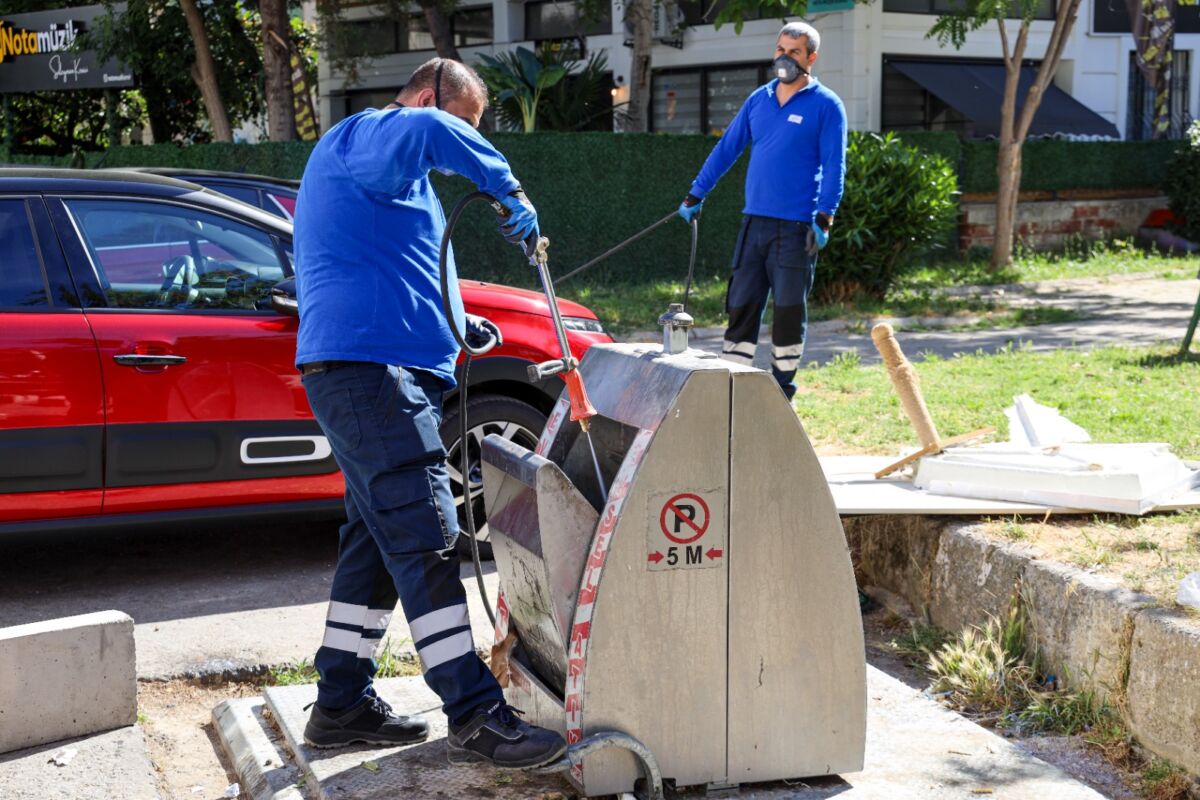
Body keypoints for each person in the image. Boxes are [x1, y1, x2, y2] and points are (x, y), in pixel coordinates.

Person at [292, 57, 566, 770]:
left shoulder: (392, 179)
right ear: (427, 98)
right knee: (430, 536)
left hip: (376, 370)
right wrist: (505, 185)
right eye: (463, 121)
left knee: (377, 545)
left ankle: (340, 704)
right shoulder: (369, 135)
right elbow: (425, 130)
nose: (462, 139)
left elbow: (396, 265)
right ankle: (476, 713)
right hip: (371, 376)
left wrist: (455, 323)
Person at [678, 21, 847, 399]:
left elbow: (836, 166)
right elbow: (727, 149)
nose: (785, 58)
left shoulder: (827, 106)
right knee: (741, 306)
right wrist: (696, 193)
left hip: (796, 229)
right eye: (780, 50)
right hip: (754, 225)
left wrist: (825, 216)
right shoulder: (759, 99)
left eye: (795, 52)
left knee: (788, 313)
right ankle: (735, 390)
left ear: (811, 58)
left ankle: (782, 395)